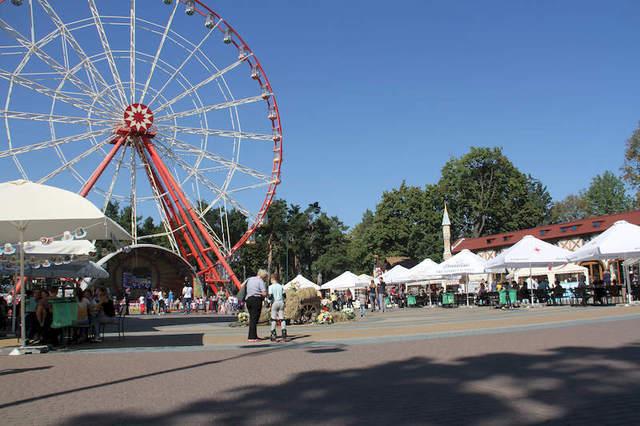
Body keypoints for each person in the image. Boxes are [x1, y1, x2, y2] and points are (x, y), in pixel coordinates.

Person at [245, 269, 267, 342]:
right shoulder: (260, 281)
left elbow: (241, 286)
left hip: (248, 300)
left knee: (252, 318)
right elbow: (264, 293)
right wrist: (261, 294)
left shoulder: (249, 279)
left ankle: (253, 335)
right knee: (255, 319)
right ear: (263, 276)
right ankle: (252, 337)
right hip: (256, 300)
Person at [268, 272, 287, 342]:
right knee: (282, 318)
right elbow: (285, 295)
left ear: (273, 279)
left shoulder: (271, 287)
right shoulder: (281, 286)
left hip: (275, 303)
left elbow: (270, 297)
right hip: (281, 302)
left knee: (273, 318)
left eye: (270, 279)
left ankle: (273, 334)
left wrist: (268, 301)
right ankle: (284, 333)